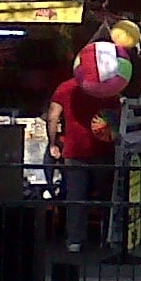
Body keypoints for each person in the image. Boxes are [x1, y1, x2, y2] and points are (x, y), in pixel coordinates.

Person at [45, 77, 117, 253]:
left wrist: (53, 143)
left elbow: (52, 117)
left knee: (76, 197)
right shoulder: (108, 87)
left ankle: (75, 240)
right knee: (107, 196)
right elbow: (115, 117)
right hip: (103, 148)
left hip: (74, 150)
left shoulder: (65, 87)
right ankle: (109, 236)